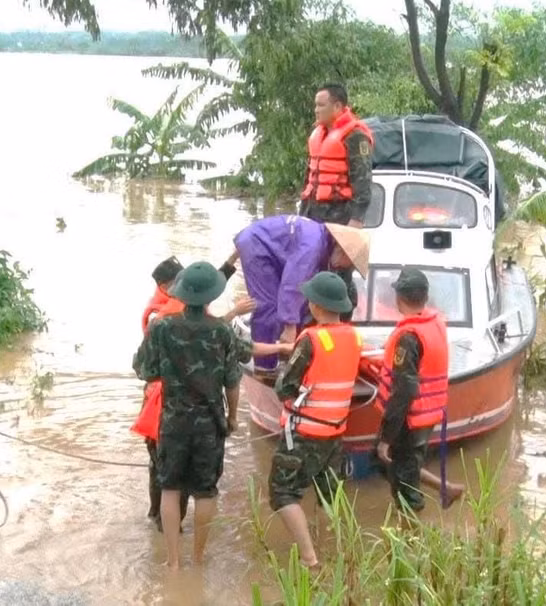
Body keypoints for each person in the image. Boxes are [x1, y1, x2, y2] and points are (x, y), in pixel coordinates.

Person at [134, 255, 257, 533]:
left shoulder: (165, 321)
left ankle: (169, 549)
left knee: (171, 480)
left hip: (171, 410)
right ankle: (162, 522)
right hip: (175, 408)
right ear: (168, 285)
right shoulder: (160, 316)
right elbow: (228, 368)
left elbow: (144, 368)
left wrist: (233, 258)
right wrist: (232, 417)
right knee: (172, 476)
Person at [268, 271, 363, 568]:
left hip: (304, 433)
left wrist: (284, 374)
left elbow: (284, 387)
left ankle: (310, 560)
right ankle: (332, 551)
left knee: (282, 493)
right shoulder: (354, 336)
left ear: (317, 306)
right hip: (335, 433)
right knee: (327, 494)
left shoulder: (310, 339)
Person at [374, 267, 465, 512]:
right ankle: (445, 487)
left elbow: (403, 391)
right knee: (401, 463)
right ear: (425, 297)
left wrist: (386, 437)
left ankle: (411, 535)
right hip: (427, 414)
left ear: (399, 298)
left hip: (409, 420)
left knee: (404, 483)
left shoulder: (409, 336)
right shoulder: (434, 322)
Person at [229, 215, 370, 373]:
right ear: (344, 253)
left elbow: (304, 292)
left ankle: (288, 355)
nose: (345, 268)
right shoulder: (312, 246)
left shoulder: (322, 244)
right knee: (268, 306)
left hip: (272, 249)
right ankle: (264, 366)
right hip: (257, 245)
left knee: (301, 303)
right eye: (350, 264)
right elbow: (292, 285)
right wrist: (290, 326)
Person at [299, 83, 374, 229]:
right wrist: (302, 214)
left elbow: (363, 182)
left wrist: (356, 219)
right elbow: (310, 177)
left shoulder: (355, 136)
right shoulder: (317, 134)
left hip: (339, 217)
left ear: (337, 107)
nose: (316, 110)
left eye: (321, 105)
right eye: (315, 105)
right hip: (312, 214)